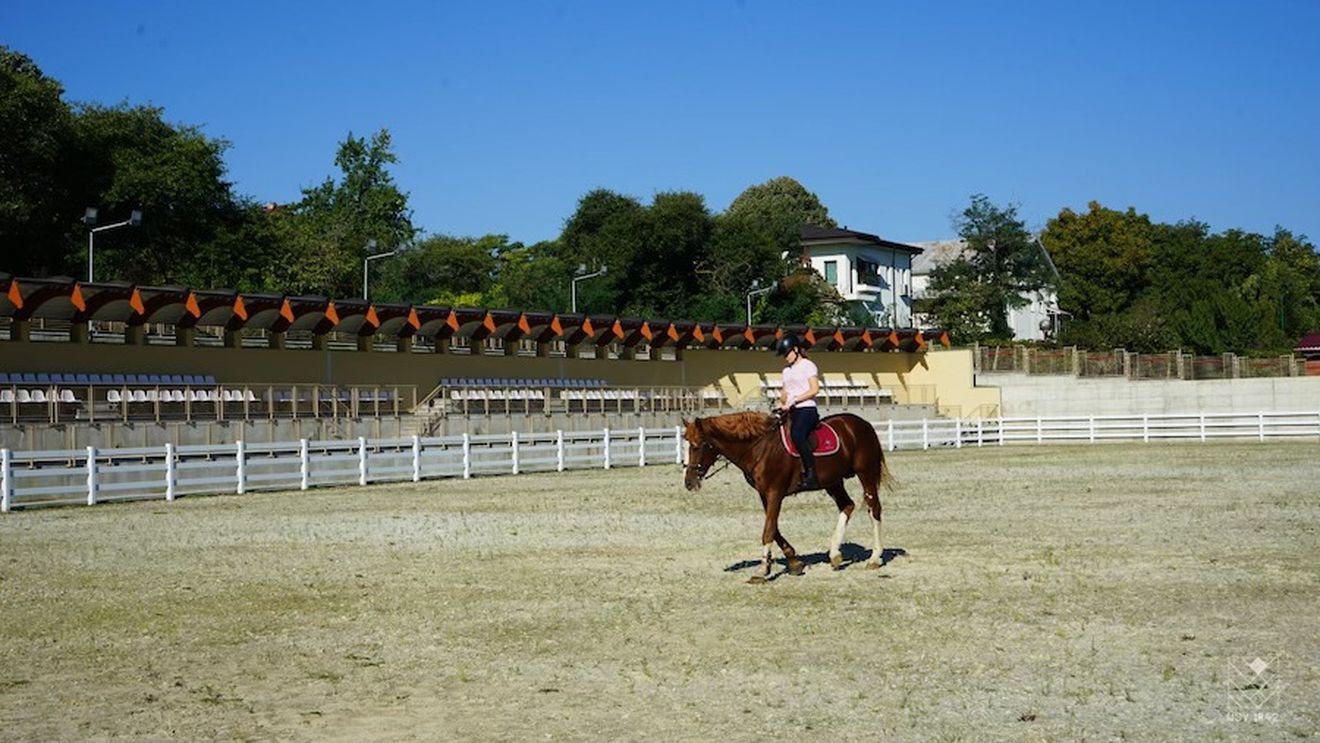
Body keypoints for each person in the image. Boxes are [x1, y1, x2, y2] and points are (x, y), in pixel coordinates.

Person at [774, 333, 820, 490]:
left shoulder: (808, 366)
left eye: (787, 354)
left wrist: (796, 399)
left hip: (806, 408)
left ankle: (811, 473)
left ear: (795, 350)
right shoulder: (786, 371)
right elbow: (784, 393)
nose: (785, 357)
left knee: (797, 434)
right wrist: (781, 401)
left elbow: (814, 389)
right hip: (790, 409)